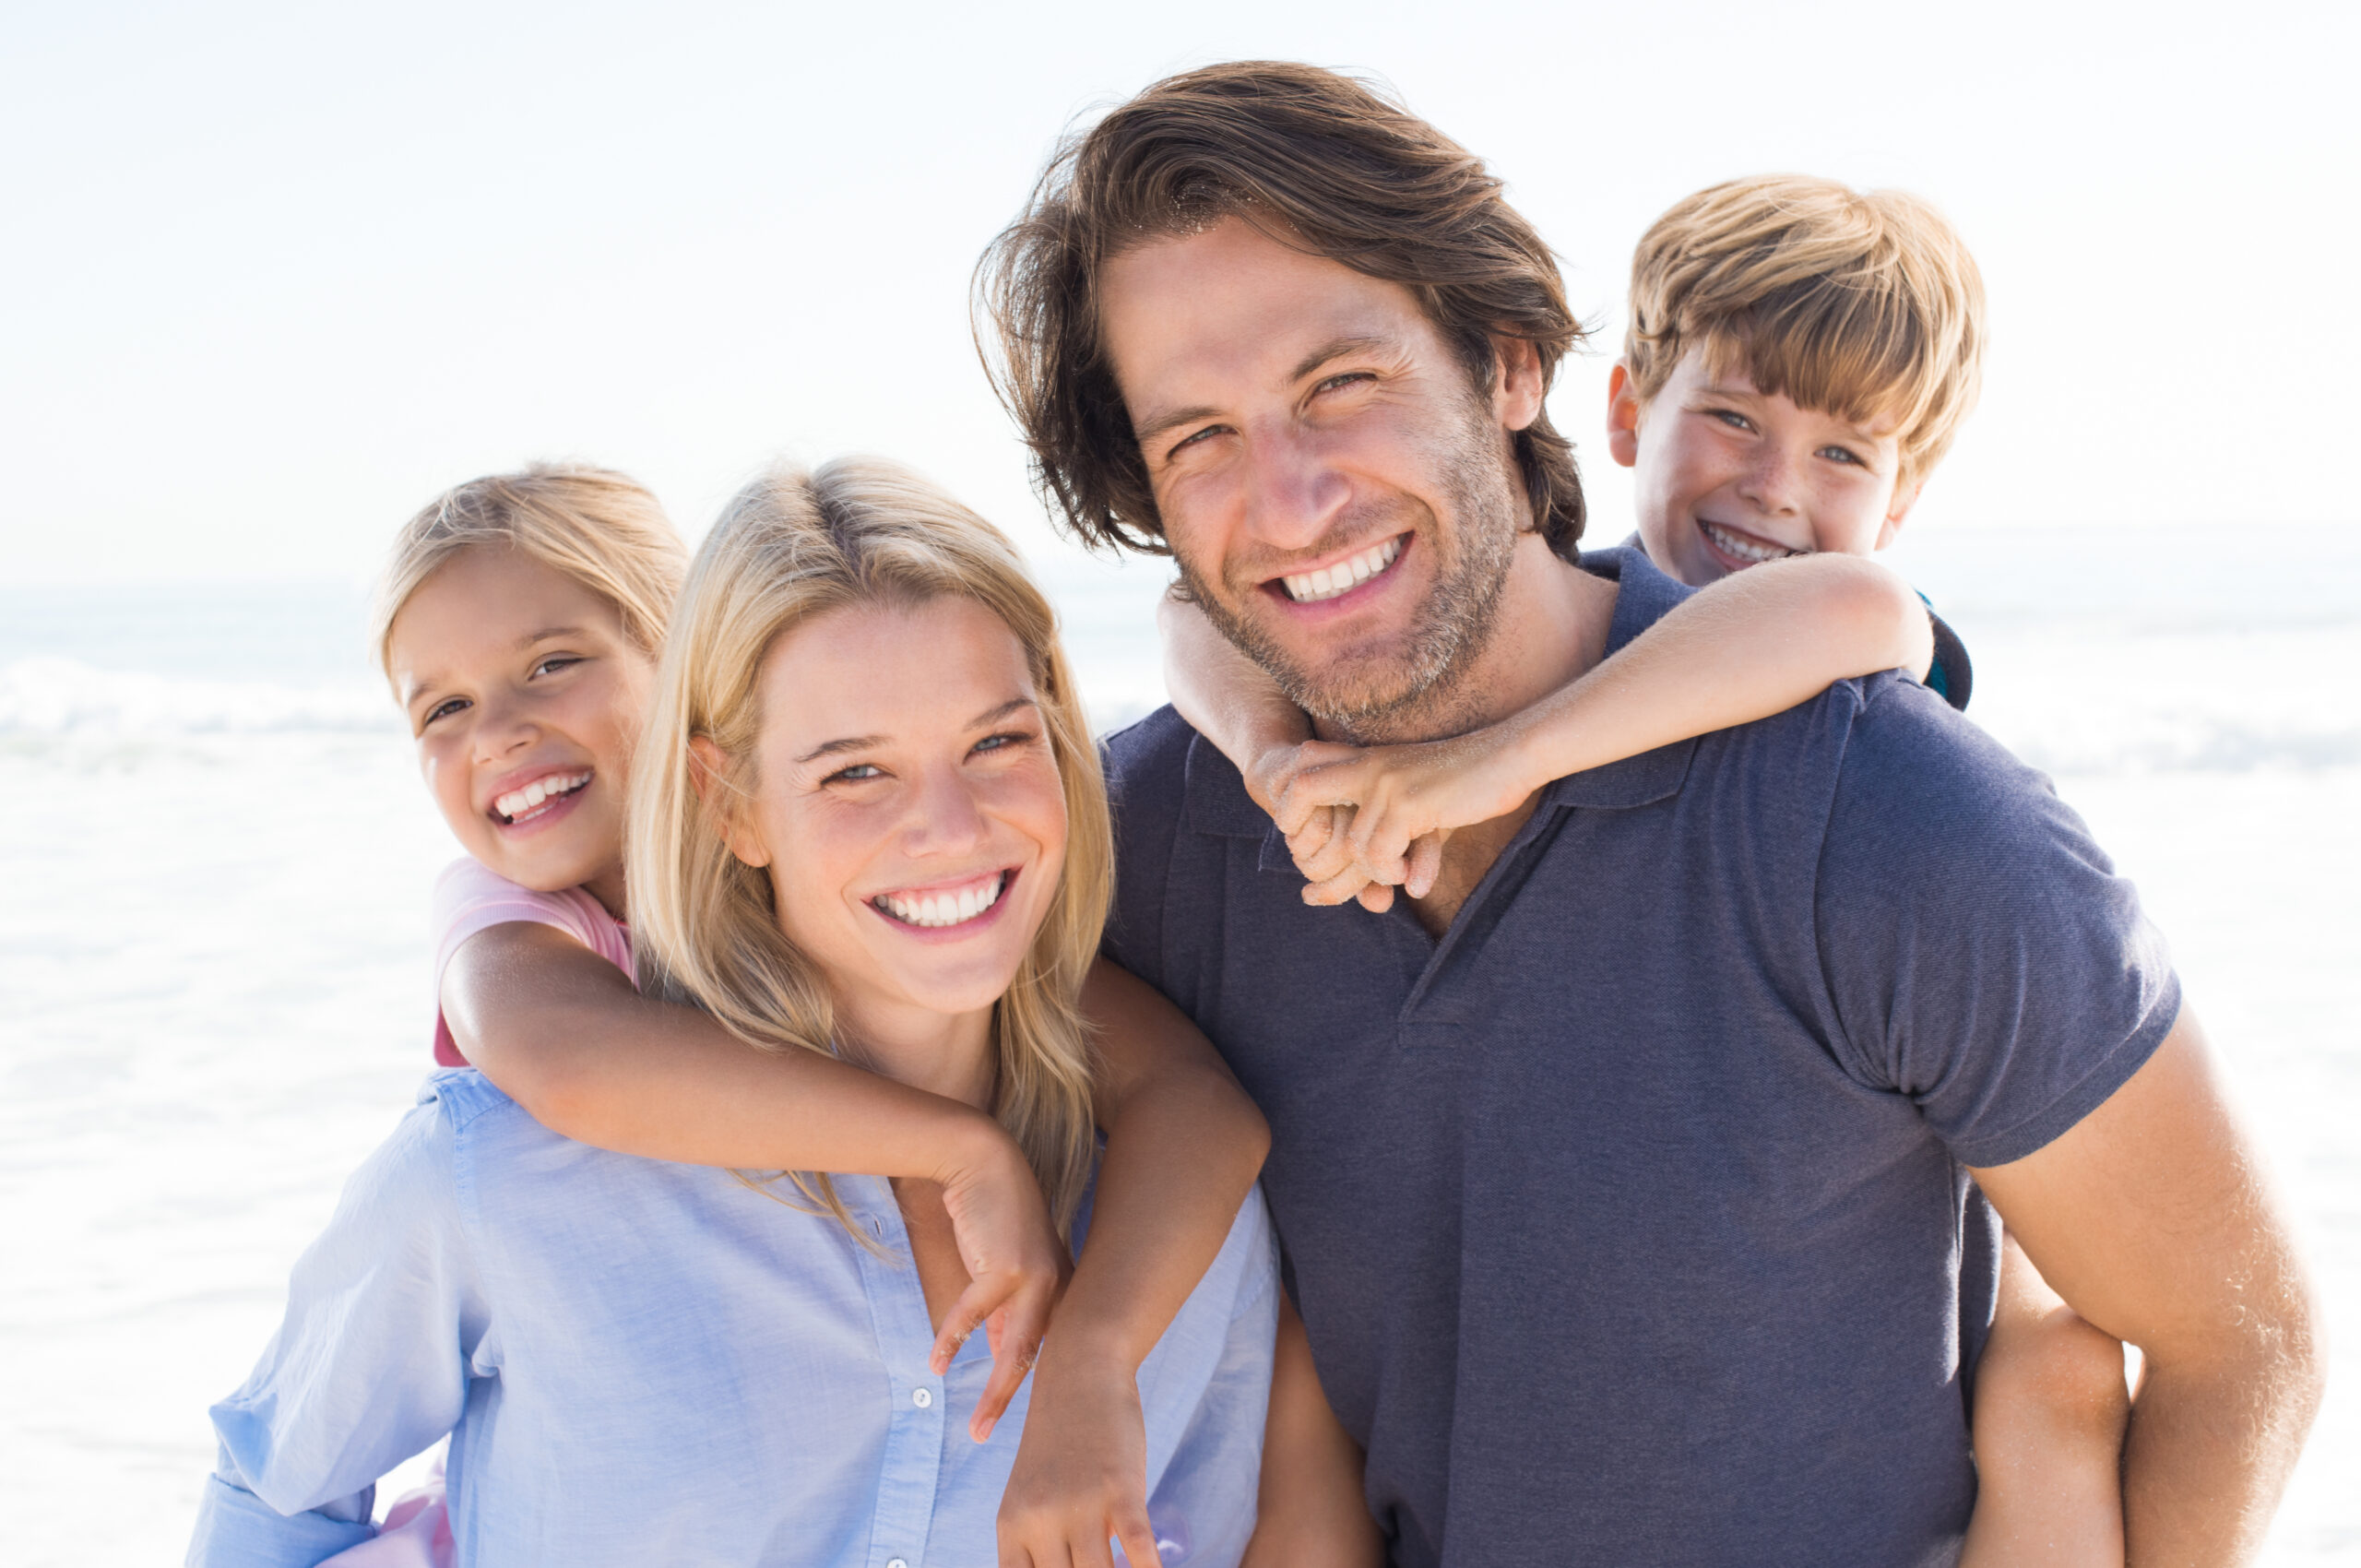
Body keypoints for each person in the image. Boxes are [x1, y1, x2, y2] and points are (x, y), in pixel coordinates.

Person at [977, 59, 2323, 1565]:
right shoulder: (1141, 843)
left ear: (1506, 365)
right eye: (1199, 439)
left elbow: (2236, 1339)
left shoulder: (1881, 815)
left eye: (1339, 385)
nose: (1289, 502)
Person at [1154, 171, 2136, 1562]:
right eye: (1730, 417)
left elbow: (1850, 604)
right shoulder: (1547, 605)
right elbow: (1189, 613)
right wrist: (1271, 755)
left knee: (2059, 1390)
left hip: (1925, 1240)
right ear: (1623, 413)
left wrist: (1495, 765)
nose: (1774, 487)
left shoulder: (1847, 661)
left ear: (1903, 495)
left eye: (1846, 456)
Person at [189, 461, 1275, 1567]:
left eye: (996, 741)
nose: (947, 828)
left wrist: (1089, 1351)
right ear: (724, 794)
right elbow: (275, 1488)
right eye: (854, 770)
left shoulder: (1167, 1214)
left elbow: (1186, 1091)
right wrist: (962, 1150)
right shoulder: (506, 1118)